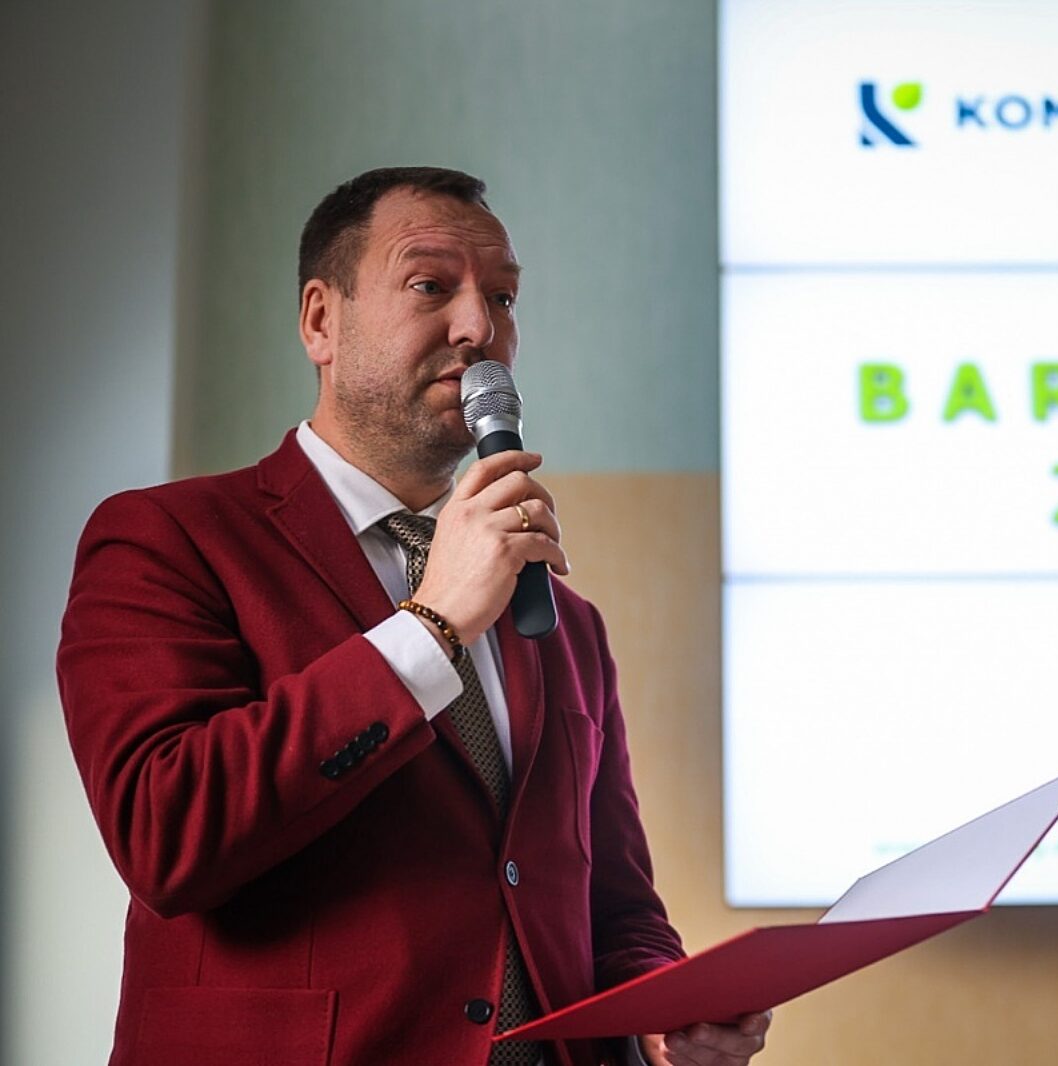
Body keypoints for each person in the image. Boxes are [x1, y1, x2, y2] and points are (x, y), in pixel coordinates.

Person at [57, 166, 771, 1066]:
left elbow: (614, 906)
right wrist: (431, 628)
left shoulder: (563, 620)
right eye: (431, 285)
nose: (480, 328)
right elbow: (167, 834)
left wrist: (665, 1013)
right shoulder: (167, 538)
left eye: (503, 297)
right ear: (321, 320)